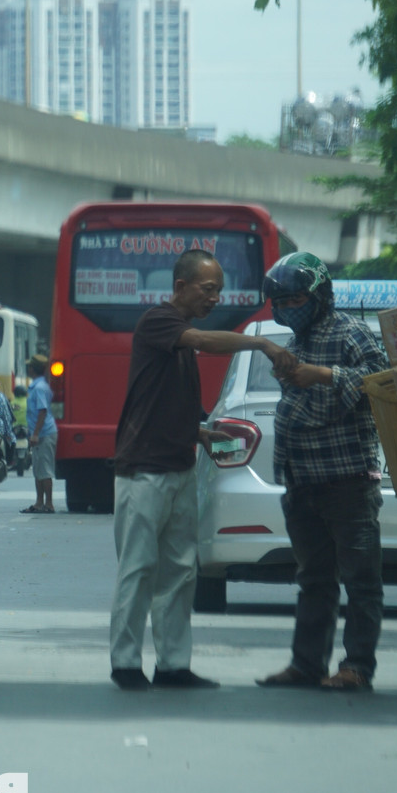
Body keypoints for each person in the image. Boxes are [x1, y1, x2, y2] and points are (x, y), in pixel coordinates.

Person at [110, 249, 298, 691]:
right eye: (208, 289)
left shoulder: (178, 340)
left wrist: (200, 432)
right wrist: (261, 342)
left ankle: (174, 664)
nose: (214, 298)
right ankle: (125, 663)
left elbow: (162, 401)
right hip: (144, 471)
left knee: (179, 571)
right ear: (180, 287)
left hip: (179, 466)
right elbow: (205, 342)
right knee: (138, 569)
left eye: (219, 291)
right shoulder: (160, 323)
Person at [255, 252, 389, 693]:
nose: (287, 308)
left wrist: (326, 376)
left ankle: (357, 668)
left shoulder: (349, 332)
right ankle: (307, 664)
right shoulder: (295, 341)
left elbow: (382, 379)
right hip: (302, 481)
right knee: (314, 580)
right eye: (280, 302)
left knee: (360, 580)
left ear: (320, 295)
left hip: (346, 480)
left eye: (295, 299)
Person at [21, 354, 58, 514]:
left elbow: (42, 412)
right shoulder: (36, 386)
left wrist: (35, 434)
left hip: (44, 434)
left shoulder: (40, 388)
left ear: (32, 369)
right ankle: (38, 502)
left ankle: (48, 503)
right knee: (38, 469)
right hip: (39, 433)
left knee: (45, 470)